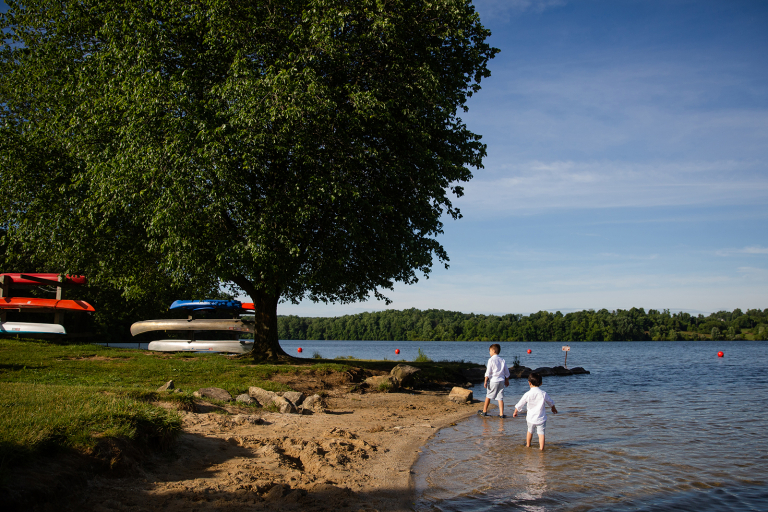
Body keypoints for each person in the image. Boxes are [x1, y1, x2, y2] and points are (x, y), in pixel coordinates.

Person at [513, 372, 558, 450]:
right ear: (541, 383)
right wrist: (553, 408)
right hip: (541, 418)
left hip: (531, 418)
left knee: (530, 431)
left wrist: (516, 411)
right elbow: (550, 402)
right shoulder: (543, 393)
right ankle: (541, 448)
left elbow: (521, 403)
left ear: (529, 383)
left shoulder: (527, 394)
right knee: (541, 433)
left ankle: (528, 445)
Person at [478, 343, 510, 417]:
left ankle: (484, 411)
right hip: (501, 380)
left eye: (490, 351)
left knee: (488, 395)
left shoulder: (491, 360)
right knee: (500, 397)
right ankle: (501, 414)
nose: (489, 353)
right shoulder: (502, 360)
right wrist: (507, 380)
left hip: (494, 380)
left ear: (494, 351)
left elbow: (488, 372)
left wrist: (485, 381)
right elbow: (507, 372)